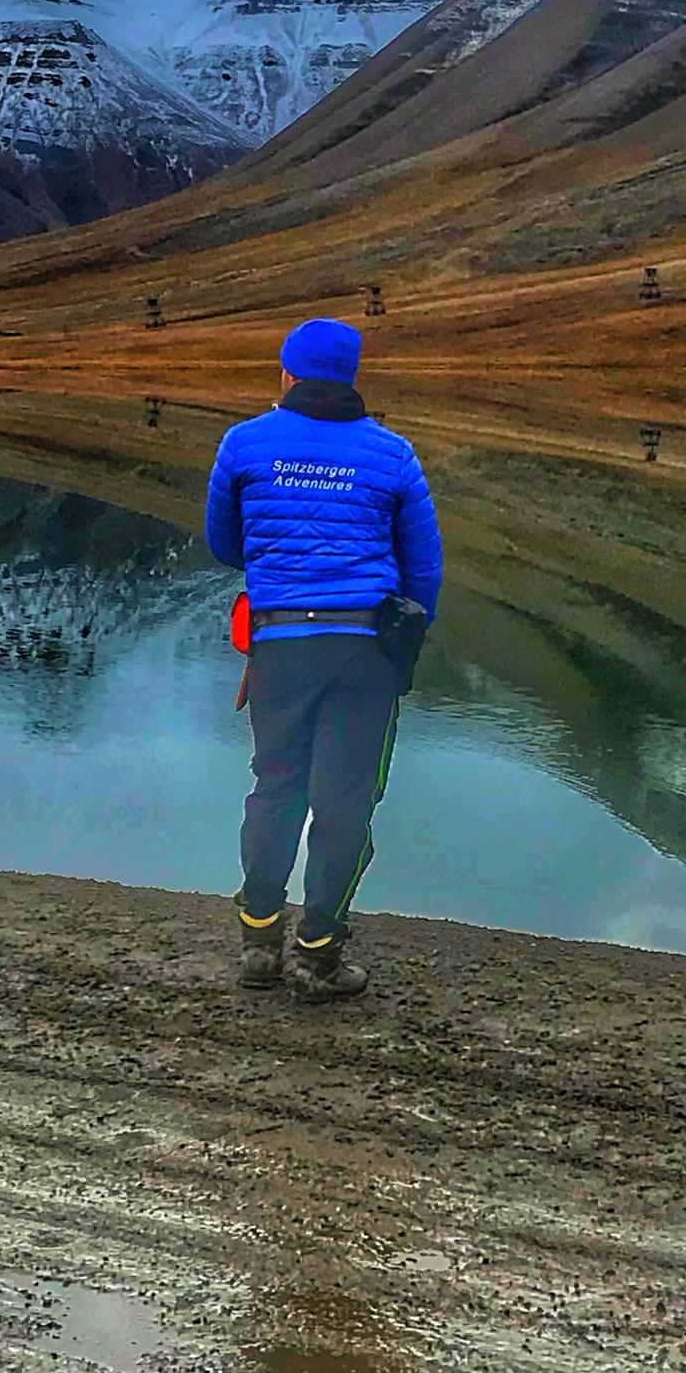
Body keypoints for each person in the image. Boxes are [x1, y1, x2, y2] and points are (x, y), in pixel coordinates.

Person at [201, 317, 441, 1000]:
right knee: (345, 802)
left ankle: (258, 942)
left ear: (287, 373)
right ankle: (319, 955)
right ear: (349, 377)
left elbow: (226, 544)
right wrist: (402, 643)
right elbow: (424, 570)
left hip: (280, 647)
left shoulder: (244, 443)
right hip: (364, 650)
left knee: (276, 785)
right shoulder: (393, 454)